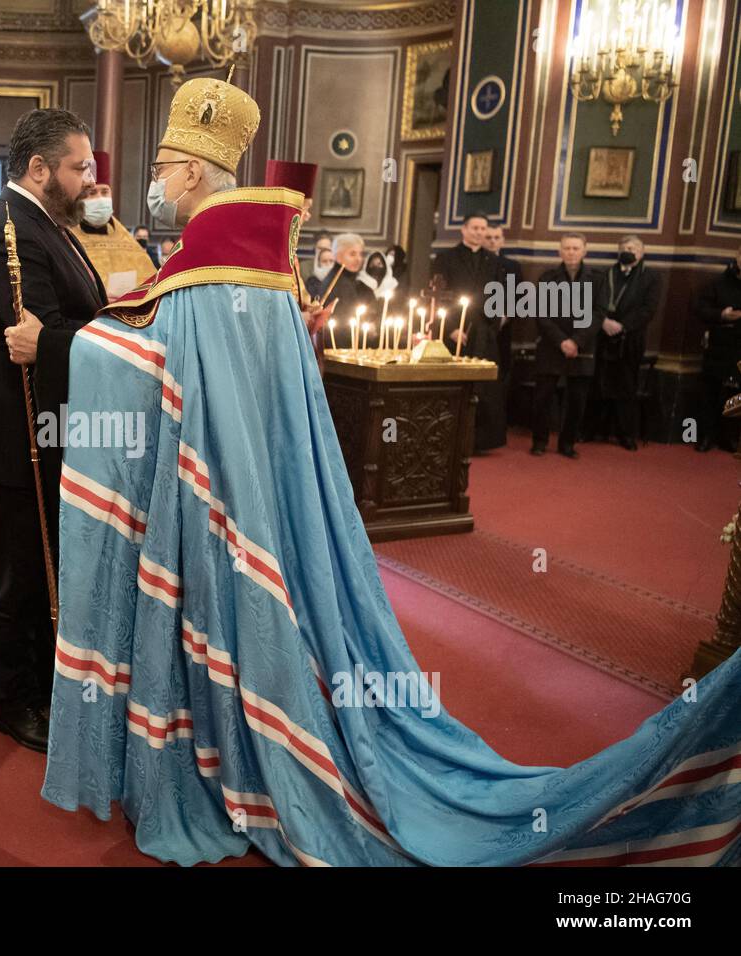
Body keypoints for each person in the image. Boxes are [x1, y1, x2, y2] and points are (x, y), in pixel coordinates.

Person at [41, 77, 741, 868]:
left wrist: (64, 344)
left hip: (221, 499)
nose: (157, 184)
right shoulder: (265, 265)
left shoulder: (208, 271)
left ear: (198, 174)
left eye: (164, 168)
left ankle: (244, 753)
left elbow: (147, 365)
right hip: (263, 488)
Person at [0, 108, 105, 752]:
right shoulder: (5, 233)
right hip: (18, 432)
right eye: (79, 168)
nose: (88, 182)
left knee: (50, 563)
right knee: (21, 572)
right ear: (39, 168)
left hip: (51, 422)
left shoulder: (48, 223)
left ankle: (48, 684)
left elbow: (70, 322)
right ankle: (11, 700)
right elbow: (43, 334)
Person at [433, 213, 506, 451]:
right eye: (474, 228)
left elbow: (499, 295)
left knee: (484, 387)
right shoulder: (446, 258)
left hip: (483, 330)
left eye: (482, 229)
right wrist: (452, 328)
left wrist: (492, 324)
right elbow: (438, 295)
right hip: (454, 330)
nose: (479, 232)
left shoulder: (493, 261)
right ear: (463, 230)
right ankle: (450, 436)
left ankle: (480, 441)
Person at [590, 235, 660, 450]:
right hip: (602, 336)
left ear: (642, 252)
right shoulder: (605, 274)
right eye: (624, 247)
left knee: (626, 387)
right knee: (597, 384)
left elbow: (648, 309)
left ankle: (625, 434)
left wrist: (621, 326)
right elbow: (592, 302)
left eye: (633, 247)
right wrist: (603, 322)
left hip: (630, 339)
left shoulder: (651, 278)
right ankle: (592, 430)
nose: (628, 250)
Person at [533, 233, 599, 458]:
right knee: (542, 397)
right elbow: (541, 314)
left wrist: (576, 341)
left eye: (576, 248)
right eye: (567, 248)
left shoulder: (597, 279)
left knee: (577, 400)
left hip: (583, 347)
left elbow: (598, 315)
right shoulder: (547, 278)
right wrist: (561, 341)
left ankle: (567, 444)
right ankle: (539, 441)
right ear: (559, 251)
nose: (571, 252)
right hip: (552, 345)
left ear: (584, 251)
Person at [71, 150, 157, 298]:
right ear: (80, 198)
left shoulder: (128, 241)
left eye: (105, 192)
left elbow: (150, 284)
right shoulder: (67, 238)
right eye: (92, 193)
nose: (100, 198)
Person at [694, 243, 741, 453]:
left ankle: (729, 437)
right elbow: (700, 308)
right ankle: (705, 436)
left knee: (736, 396)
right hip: (719, 345)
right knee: (709, 394)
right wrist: (721, 315)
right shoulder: (719, 282)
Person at [319, 233, 377, 344]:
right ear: (338, 256)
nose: (358, 259)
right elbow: (343, 324)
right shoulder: (338, 282)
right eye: (352, 254)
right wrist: (366, 334)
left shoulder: (349, 280)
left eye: (361, 254)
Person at [482, 223, 520, 387]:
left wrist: (506, 316)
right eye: (488, 238)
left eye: (496, 238)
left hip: (503, 326)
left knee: (500, 369)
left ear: (502, 241)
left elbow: (518, 295)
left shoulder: (512, 266)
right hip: (478, 324)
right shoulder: (476, 264)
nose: (492, 241)